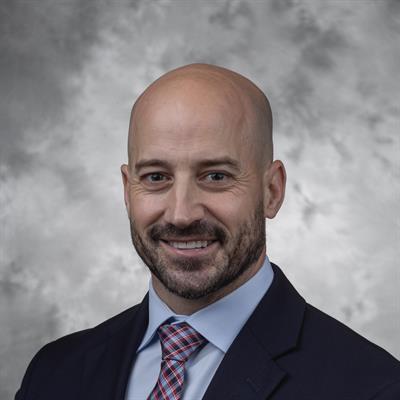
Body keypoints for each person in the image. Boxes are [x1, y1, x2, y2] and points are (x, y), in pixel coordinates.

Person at [16, 64, 400, 400]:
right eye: (156, 177)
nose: (181, 214)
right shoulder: (54, 373)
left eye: (216, 176)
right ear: (127, 190)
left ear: (272, 191)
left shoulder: (373, 387)